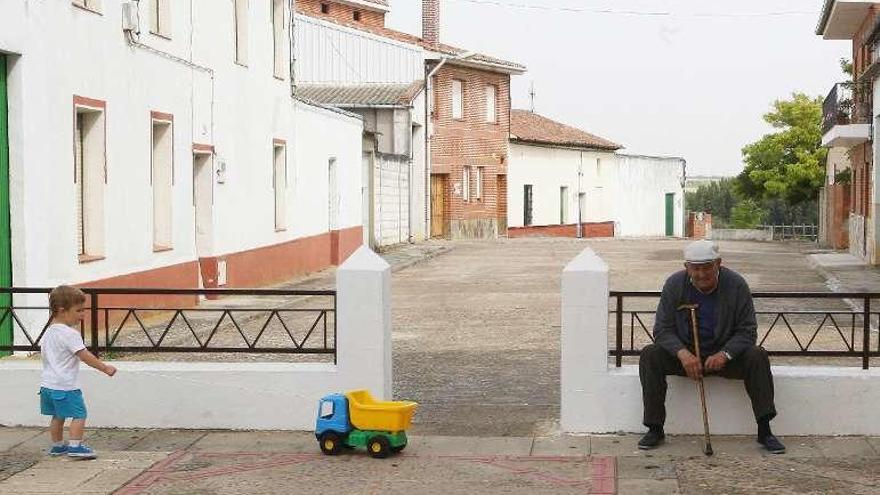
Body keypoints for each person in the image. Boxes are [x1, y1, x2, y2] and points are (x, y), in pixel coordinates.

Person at [637, 240, 785, 454]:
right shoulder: (674, 285)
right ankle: (655, 428)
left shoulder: (736, 285)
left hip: (723, 356)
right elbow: (662, 329)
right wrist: (683, 354)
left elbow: (748, 330)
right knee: (650, 355)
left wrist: (725, 354)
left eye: (707, 267)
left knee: (757, 355)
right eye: (695, 268)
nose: (701, 274)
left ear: (719, 264)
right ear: (686, 267)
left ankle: (765, 429)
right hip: (687, 358)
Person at [40, 285, 116, 459]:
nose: (83, 314)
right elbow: (84, 355)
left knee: (58, 416)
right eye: (79, 310)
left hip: (47, 385)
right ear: (62, 310)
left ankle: (57, 446)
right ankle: (75, 446)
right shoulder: (70, 334)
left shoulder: (49, 331)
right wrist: (105, 368)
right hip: (66, 385)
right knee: (79, 414)